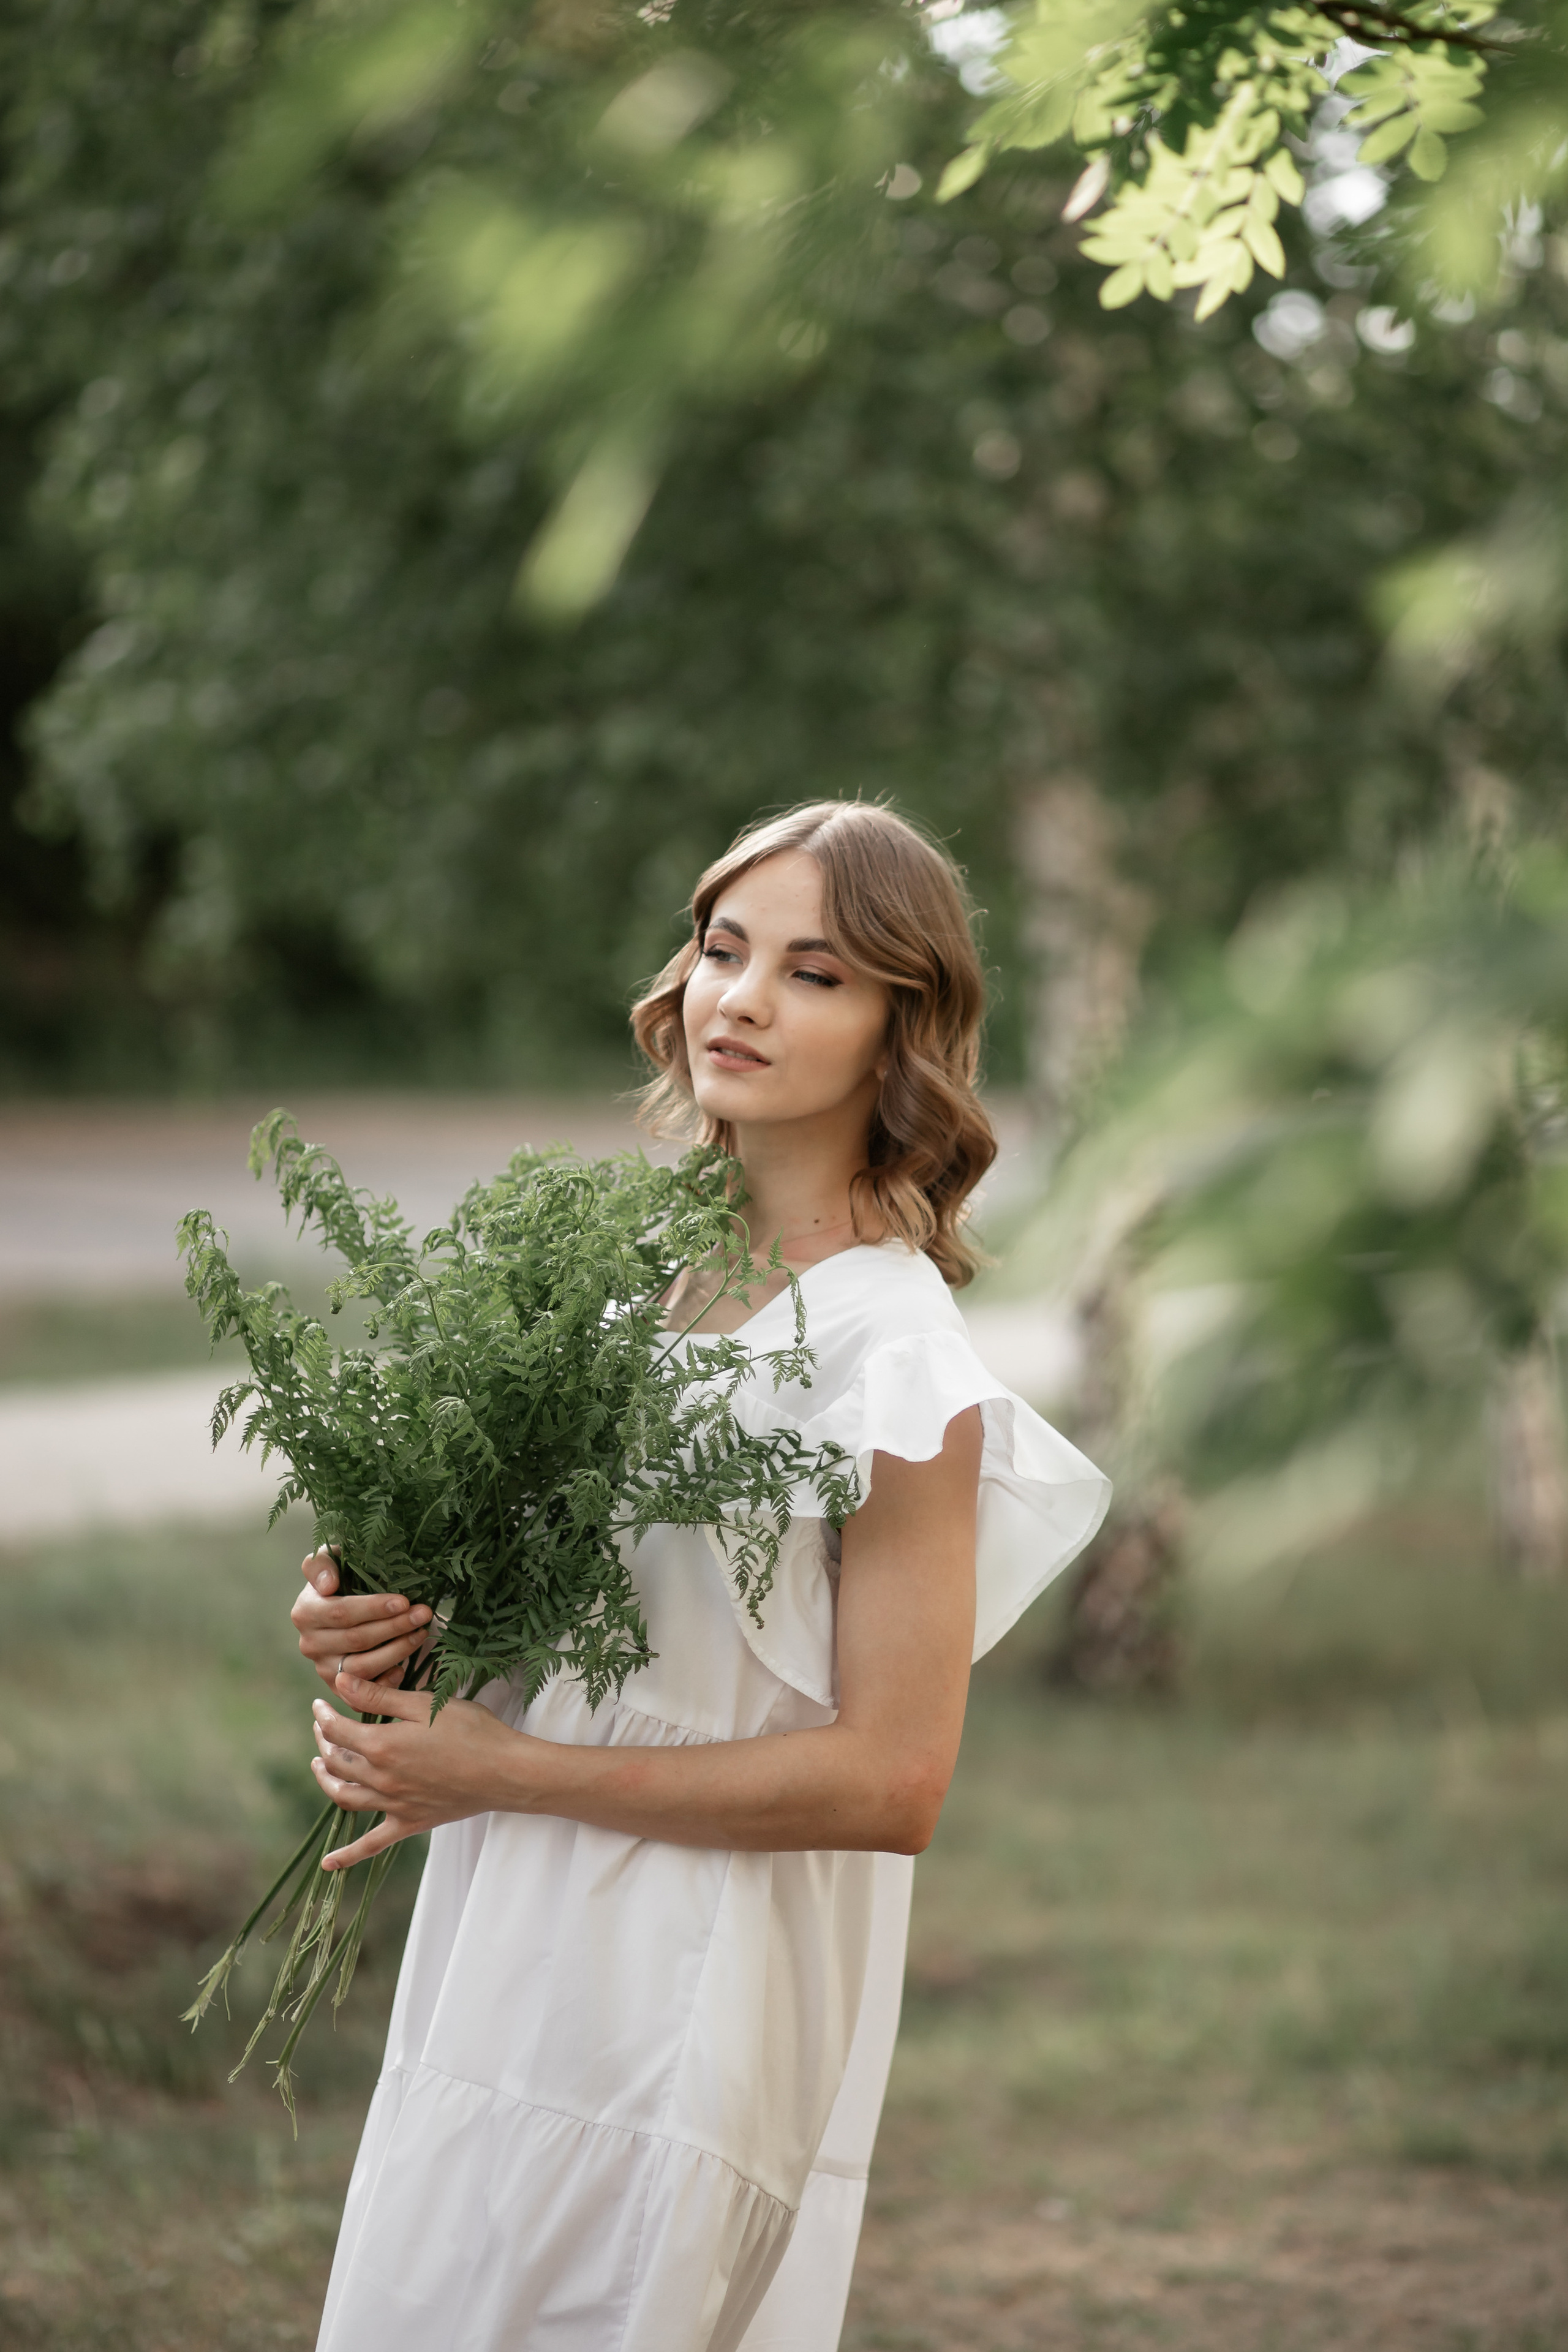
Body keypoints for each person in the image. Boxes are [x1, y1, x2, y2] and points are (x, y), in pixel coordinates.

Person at [293, 801, 1110, 2352]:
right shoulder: (623, 1284)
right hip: (505, 1933)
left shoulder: (894, 1359)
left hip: (691, 1988)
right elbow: (576, 1621)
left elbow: (892, 1779)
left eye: (814, 973)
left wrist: (511, 1770)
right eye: (725, 951)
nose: (739, 998)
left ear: (900, 1031)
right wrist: (377, 1610)